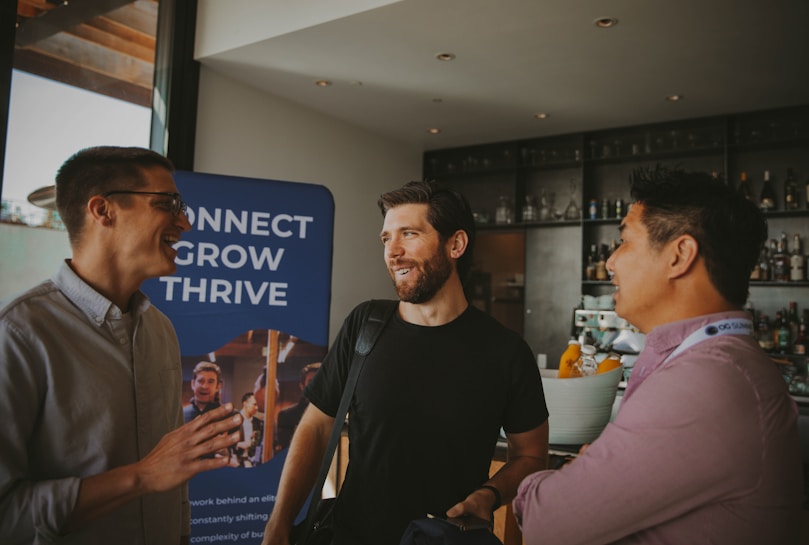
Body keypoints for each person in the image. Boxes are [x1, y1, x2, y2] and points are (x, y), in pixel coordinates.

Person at [514, 165, 803, 544]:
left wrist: (555, 479)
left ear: (679, 255)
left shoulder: (705, 381)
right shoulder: (715, 363)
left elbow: (546, 524)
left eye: (625, 241)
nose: (611, 261)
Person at [262, 180, 549, 545]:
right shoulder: (364, 325)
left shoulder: (506, 352)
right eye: (386, 239)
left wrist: (489, 496)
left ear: (456, 244)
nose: (392, 251)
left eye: (409, 234)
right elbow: (316, 427)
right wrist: (280, 522)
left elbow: (532, 456)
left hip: (444, 539)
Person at [0, 146, 243, 545]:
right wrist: (141, 477)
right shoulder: (20, 334)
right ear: (103, 211)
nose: (184, 221)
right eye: (168, 204)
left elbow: (172, 476)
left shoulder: (160, 330)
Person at [274, 362, 321, 452]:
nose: (316, 385)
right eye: (311, 382)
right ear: (302, 386)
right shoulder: (286, 416)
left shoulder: (332, 414)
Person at [234, 392, 262, 467]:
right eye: (254, 404)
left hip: (252, 463)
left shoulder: (258, 423)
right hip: (236, 462)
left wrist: (256, 461)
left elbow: (258, 445)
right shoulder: (234, 420)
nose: (257, 408)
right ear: (245, 404)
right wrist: (238, 445)